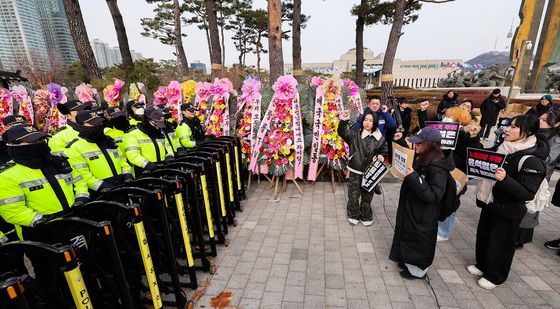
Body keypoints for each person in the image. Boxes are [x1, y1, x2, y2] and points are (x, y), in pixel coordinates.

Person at [469, 115, 548, 289]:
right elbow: (483, 157)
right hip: (491, 202)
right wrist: (474, 137)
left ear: (526, 132)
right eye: (508, 125)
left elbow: (527, 192)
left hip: (509, 209)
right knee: (485, 237)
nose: (507, 129)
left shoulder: (532, 159)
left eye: (513, 127)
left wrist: (505, 180)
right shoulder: (504, 148)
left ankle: (496, 275)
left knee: (500, 243)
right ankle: (482, 265)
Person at [389, 127, 455, 280]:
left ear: (430, 144)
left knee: (419, 241)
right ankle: (408, 262)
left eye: (419, 143)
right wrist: (400, 140)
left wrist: (414, 178)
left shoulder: (437, 167)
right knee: (409, 236)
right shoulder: (427, 156)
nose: (416, 146)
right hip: (414, 208)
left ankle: (418, 272)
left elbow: (434, 196)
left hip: (424, 213)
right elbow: (409, 157)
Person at [65, 111, 133, 198]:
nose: (98, 125)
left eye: (99, 122)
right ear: (81, 125)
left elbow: (122, 161)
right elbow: (83, 175)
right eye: (93, 123)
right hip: (99, 194)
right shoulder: (74, 148)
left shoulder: (108, 140)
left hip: (121, 185)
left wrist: (127, 175)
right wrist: (104, 187)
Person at [338, 109, 387, 226]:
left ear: (374, 123)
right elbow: (341, 131)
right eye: (366, 120)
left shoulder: (380, 138)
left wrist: (380, 156)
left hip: (370, 173)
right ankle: (353, 214)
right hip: (355, 170)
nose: (367, 123)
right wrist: (344, 118)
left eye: (371, 121)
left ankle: (366, 215)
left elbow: (384, 151)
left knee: (367, 195)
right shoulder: (355, 134)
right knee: (353, 194)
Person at [123, 106, 174, 175]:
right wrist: (148, 165)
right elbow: (133, 155)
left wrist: (170, 156)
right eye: (155, 124)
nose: (157, 127)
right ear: (147, 120)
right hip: (144, 171)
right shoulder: (132, 134)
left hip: (163, 168)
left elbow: (168, 146)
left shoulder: (159, 132)